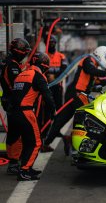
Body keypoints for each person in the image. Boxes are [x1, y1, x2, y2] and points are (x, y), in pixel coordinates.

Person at [41, 46, 106, 155]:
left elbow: (97, 81)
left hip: (77, 94)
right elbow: (91, 70)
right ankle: (71, 142)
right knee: (85, 119)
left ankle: (53, 142)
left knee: (62, 119)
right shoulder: (88, 60)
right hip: (77, 94)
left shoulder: (94, 65)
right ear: (101, 54)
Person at [10, 52, 55, 181]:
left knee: (25, 141)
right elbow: (48, 96)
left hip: (14, 113)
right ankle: (24, 171)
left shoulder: (21, 74)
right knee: (36, 142)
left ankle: (25, 167)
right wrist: (53, 112)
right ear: (44, 64)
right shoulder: (38, 76)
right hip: (26, 112)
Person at [0, 38, 31, 175]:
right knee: (15, 133)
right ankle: (13, 163)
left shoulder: (14, 64)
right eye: (23, 51)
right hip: (13, 103)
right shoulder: (11, 65)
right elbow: (17, 83)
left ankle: (16, 160)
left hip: (14, 102)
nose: (24, 54)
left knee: (18, 132)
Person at [38, 35, 68, 140]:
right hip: (46, 87)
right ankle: (44, 132)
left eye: (53, 43)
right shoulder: (43, 57)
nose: (51, 44)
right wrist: (48, 76)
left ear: (56, 44)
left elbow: (65, 70)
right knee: (46, 111)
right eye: (49, 43)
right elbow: (39, 70)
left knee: (58, 110)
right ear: (46, 44)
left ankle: (55, 130)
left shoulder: (61, 56)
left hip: (57, 88)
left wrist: (54, 76)